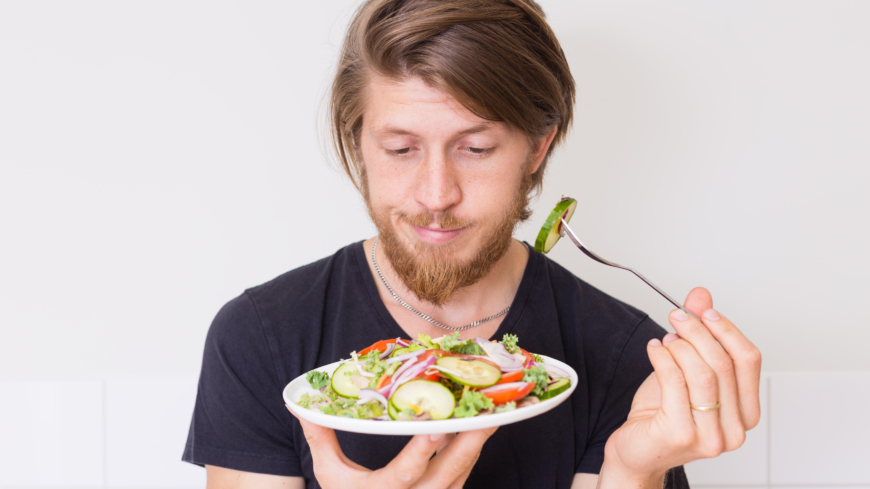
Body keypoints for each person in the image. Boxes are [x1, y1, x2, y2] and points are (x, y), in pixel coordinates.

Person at [182, 0, 762, 487]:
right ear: (359, 144)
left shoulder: (624, 357)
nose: (436, 195)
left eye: (476, 149)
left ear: (536, 149)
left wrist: (631, 472)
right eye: (400, 149)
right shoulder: (260, 335)